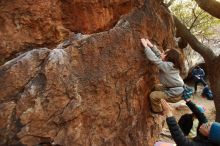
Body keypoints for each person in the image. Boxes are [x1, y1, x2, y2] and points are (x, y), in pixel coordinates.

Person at [141, 38, 184, 113]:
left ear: (168, 57)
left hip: (175, 94)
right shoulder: (170, 64)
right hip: (173, 88)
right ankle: (160, 101)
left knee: (153, 95)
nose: (162, 53)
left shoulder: (168, 66)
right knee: (156, 87)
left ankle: (159, 111)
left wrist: (146, 47)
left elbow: (155, 59)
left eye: (164, 53)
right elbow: (159, 55)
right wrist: (151, 45)